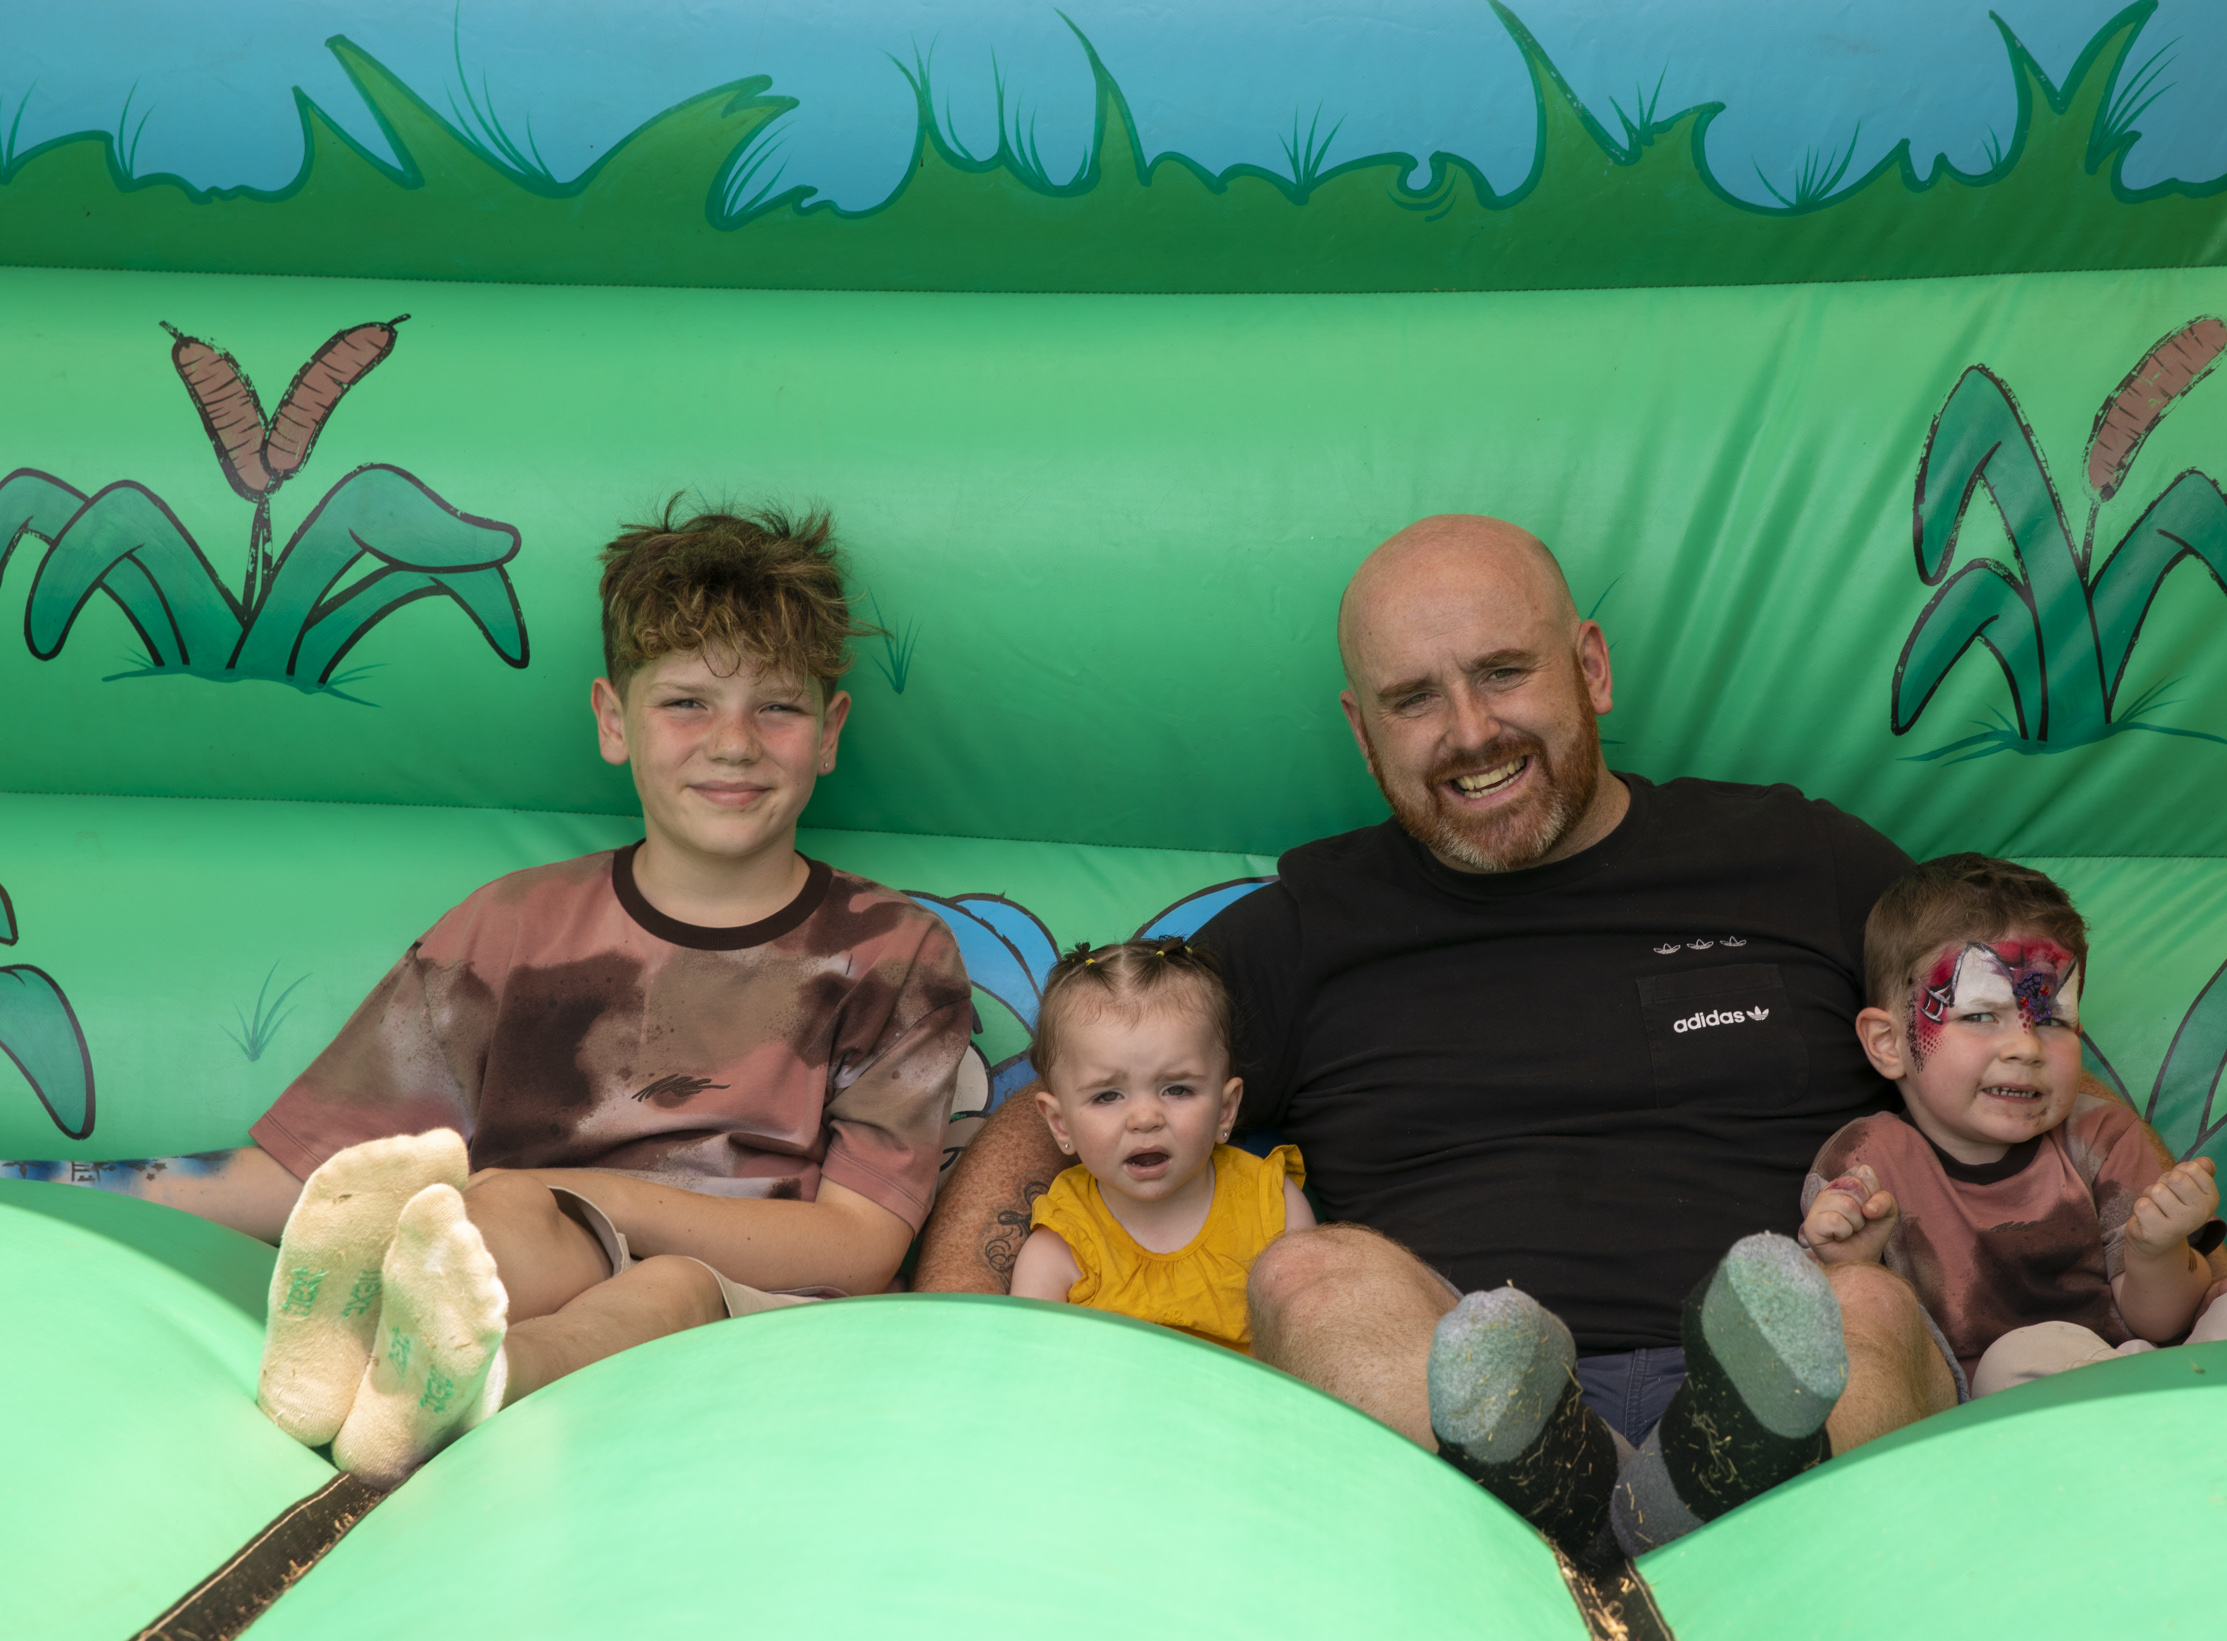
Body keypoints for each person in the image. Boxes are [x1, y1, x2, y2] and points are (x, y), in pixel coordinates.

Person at [919, 514, 1966, 1605]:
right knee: (1312, 1276)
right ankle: (1600, 1517)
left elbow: (1999, 1032)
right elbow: (1065, 1103)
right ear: (1362, 733)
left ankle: (1645, 1528)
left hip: (1785, 1405)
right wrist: (955, 1347)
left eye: (1503, 673)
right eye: (1413, 699)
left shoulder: (1793, 858)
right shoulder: (1311, 927)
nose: (1469, 731)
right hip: (1455, 1432)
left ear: (1590, 668)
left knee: (1861, 1309)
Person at [9, 502, 974, 1482]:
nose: (734, 743)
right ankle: (360, 1357)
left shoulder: (895, 951)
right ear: (613, 719)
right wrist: (49, 1185)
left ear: (829, 730)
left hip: (763, 1314)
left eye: (776, 706)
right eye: (687, 703)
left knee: (665, 1282)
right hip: (534, 1249)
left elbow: (859, 1244)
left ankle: (474, 1390)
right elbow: (318, 1169)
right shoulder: (514, 924)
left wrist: (597, 1197)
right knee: (484, 1223)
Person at [1800, 852, 2227, 1395]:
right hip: (1999, 1415)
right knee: (2024, 1353)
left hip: (2176, 1369)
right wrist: (1844, 1257)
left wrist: (2156, 1250)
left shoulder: (2100, 1135)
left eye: (2052, 1018)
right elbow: (1863, 1334)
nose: (2026, 1047)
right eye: (1981, 1015)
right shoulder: (1867, 1159)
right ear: (1888, 1043)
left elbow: (2163, 1317)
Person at [1009, 938, 1313, 1353]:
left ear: (1225, 1110)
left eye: (1177, 1089)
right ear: (1061, 1124)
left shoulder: (1274, 1208)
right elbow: (1028, 1371)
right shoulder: (1061, 1246)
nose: (1145, 1118)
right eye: (1107, 1096)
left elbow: (1312, 1349)